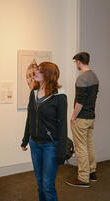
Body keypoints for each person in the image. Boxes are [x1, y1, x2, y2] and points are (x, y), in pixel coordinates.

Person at [21, 62, 68, 201]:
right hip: (35, 144)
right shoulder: (33, 93)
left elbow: (63, 126)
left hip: (50, 146)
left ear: (49, 75)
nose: (36, 72)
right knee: (40, 182)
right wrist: (25, 140)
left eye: (40, 71)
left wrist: (61, 152)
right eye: (37, 70)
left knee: (48, 185)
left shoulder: (59, 96)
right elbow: (30, 118)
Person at [66, 52, 99, 188]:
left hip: (81, 118)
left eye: (76, 62)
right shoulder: (94, 76)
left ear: (79, 62)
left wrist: (73, 116)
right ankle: (92, 172)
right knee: (89, 145)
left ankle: (83, 178)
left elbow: (80, 101)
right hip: (91, 117)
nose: (76, 64)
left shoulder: (82, 78)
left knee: (81, 148)